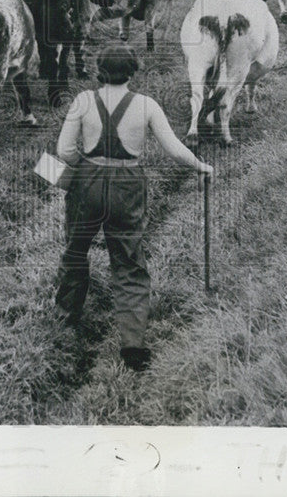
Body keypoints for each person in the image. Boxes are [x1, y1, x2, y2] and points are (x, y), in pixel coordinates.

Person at [55, 43, 213, 371]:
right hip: (128, 184)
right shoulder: (146, 105)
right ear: (132, 71)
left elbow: (64, 151)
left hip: (86, 182)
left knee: (75, 251)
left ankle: (65, 322)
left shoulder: (83, 101)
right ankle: (132, 346)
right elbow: (173, 149)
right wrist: (200, 166)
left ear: (99, 70)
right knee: (128, 261)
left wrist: (86, 167)